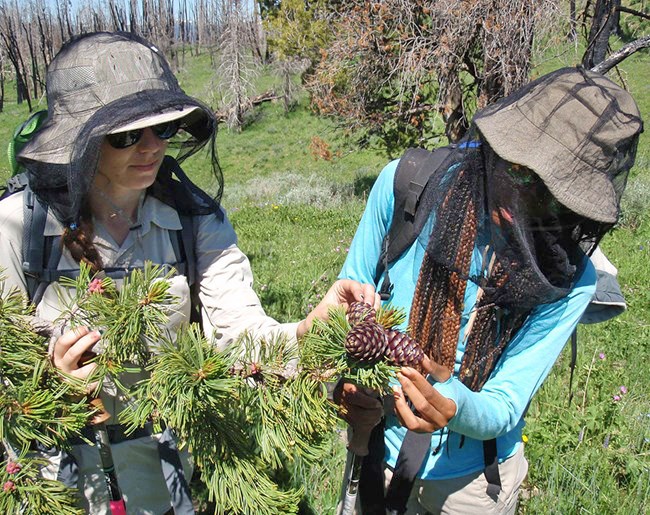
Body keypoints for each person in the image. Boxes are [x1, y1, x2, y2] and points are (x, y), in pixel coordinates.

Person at [0, 31, 378, 514]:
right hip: (58, 484)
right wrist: (51, 386)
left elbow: (239, 332)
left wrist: (307, 331)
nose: (152, 147)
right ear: (82, 142)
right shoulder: (19, 229)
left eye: (166, 128)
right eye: (126, 136)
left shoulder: (195, 220)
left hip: (164, 477)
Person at [337, 67, 643, 514]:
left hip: (473, 484)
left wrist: (452, 403)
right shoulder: (408, 187)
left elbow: (504, 403)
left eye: (551, 194)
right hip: (378, 445)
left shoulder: (570, 280)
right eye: (518, 172)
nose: (523, 199)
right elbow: (346, 303)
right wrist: (344, 383)